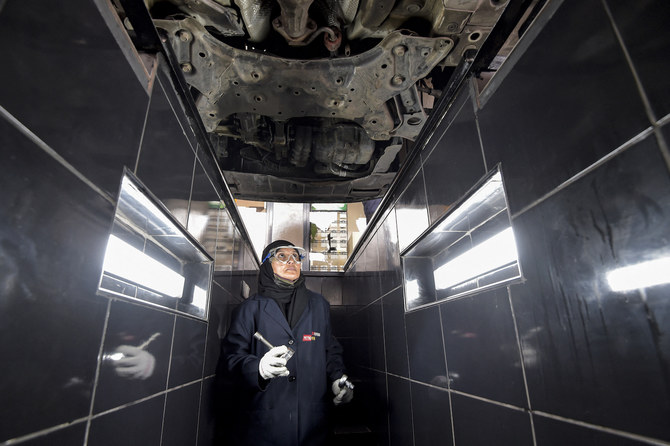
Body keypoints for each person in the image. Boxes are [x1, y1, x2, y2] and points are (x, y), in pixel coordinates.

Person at [221, 240, 353, 446]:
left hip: (313, 425)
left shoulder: (318, 305)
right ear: (266, 265)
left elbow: (329, 349)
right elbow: (231, 359)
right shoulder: (249, 309)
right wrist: (259, 369)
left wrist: (337, 379)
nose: (291, 261)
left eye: (296, 257)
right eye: (281, 256)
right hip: (265, 425)